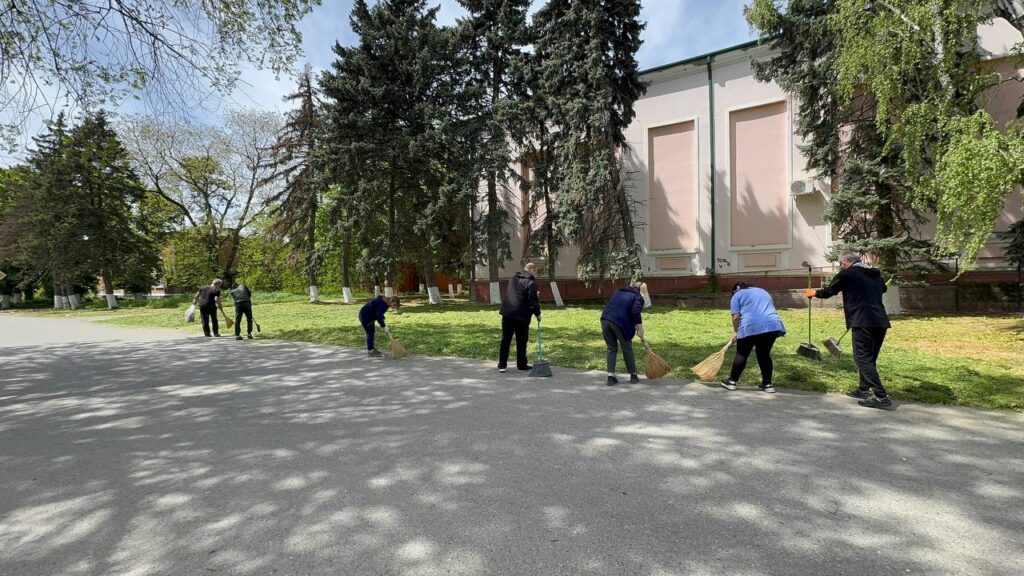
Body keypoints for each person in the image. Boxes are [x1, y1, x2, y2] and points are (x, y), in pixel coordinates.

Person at [809, 252, 892, 409]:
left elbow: (829, 291)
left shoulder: (848, 274)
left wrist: (814, 293)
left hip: (862, 320)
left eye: (841, 264)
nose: (841, 266)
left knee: (862, 358)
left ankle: (881, 396)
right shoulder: (876, 274)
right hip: (880, 320)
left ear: (845, 262)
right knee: (869, 358)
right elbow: (883, 289)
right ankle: (863, 389)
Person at [720, 282, 786, 393]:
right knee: (764, 354)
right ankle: (767, 384)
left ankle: (732, 382)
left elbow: (736, 317)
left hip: (750, 326)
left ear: (735, 290)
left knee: (742, 353)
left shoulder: (737, 295)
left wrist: (736, 331)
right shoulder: (762, 291)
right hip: (772, 325)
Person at [498, 262, 541, 373]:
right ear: (532, 270)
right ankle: (521, 365)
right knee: (521, 341)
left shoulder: (513, 279)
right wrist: (538, 313)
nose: (535, 274)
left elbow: (515, 294)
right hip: (521, 315)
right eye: (535, 271)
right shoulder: (531, 282)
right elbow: (532, 301)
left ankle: (502, 365)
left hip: (507, 313)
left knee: (505, 339)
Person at [600, 281, 645, 386]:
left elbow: (621, 307)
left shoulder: (619, 291)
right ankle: (633, 376)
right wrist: (640, 329)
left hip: (605, 319)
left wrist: (635, 325)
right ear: (641, 290)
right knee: (627, 348)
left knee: (611, 348)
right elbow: (635, 312)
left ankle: (610, 377)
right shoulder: (637, 297)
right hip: (620, 323)